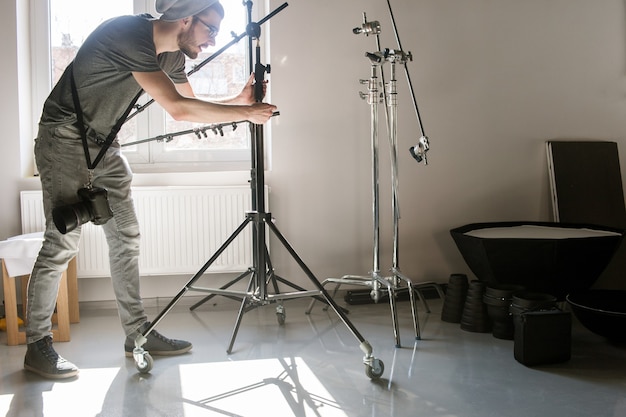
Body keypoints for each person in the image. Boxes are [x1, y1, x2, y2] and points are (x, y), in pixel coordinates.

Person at [24, 0, 277, 379]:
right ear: (187, 18)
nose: (213, 40)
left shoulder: (172, 56)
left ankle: (137, 333)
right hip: (63, 138)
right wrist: (245, 114)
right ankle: (37, 344)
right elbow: (178, 110)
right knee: (62, 242)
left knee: (126, 238)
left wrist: (238, 102)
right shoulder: (129, 35)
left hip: (105, 147)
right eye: (211, 29)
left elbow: (189, 105)